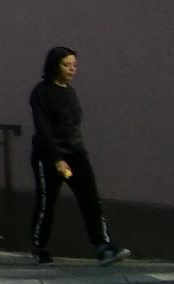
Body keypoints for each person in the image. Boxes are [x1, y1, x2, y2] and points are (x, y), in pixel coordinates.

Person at [29, 46, 129, 266]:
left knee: (90, 198)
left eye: (74, 65)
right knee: (47, 203)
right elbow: (43, 128)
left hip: (75, 153)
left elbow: (72, 125)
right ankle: (39, 247)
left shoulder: (70, 91)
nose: (72, 69)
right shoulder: (42, 92)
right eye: (66, 65)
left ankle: (102, 245)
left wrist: (76, 151)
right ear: (55, 66)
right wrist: (57, 159)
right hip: (49, 156)